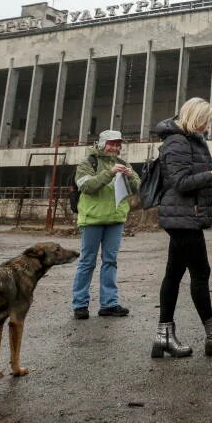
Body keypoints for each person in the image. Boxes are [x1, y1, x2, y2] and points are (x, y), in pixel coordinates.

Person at [150, 98, 212, 359]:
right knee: (201, 272)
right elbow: (180, 182)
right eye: (204, 120)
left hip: (185, 217)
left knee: (174, 274)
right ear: (193, 117)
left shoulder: (191, 140)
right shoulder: (177, 141)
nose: (206, 125)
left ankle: (163, 336)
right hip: (182, 217)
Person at [72, 130, 140, 319]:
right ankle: (80, 304)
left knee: (110, 261)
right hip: (92, 219)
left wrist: (130, 176)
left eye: (118, 144)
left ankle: (109, 304)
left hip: (116, 220)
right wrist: (109, 173)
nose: (115, 148)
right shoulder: (88, 163)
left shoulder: (124, 164)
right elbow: (87, 186)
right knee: (87, 262)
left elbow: (138, 187)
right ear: (102, 144)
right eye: (112, 144)